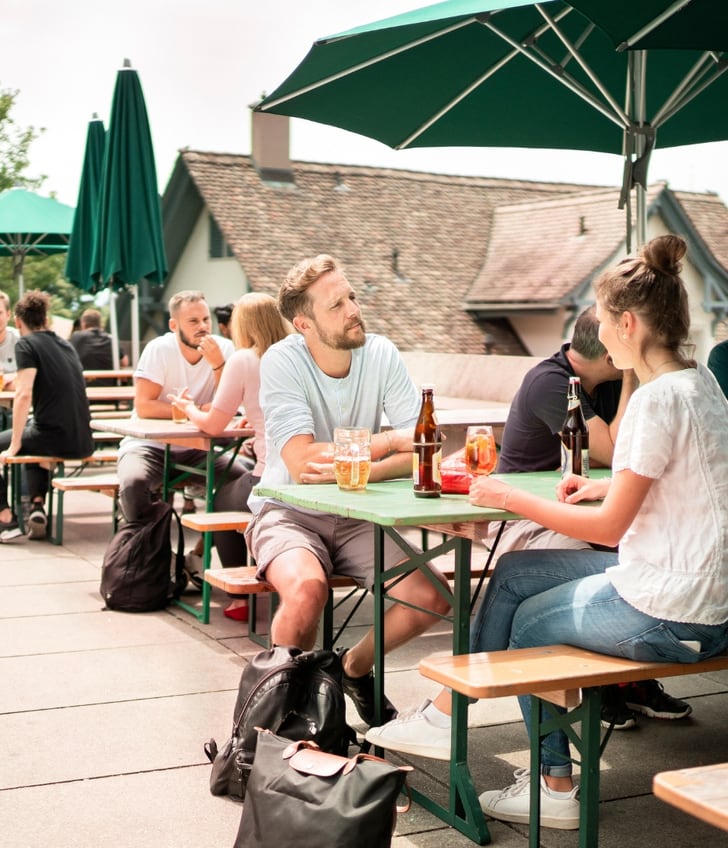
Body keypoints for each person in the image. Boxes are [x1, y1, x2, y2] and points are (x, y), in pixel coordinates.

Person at [373, 235, 728, 830]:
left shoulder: (652, 402)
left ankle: (553, 785)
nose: (595, 332)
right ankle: (445, 719)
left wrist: (511, 498)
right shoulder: (704, 387)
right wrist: (601, 487)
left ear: (629, 322)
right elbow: (685, 489)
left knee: (527, 625)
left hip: (674, 613)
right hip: (705, 595)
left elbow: (611, 528)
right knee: (513, 572)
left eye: (601, 320)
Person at [244, 254, 451, 726]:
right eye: (336, 305)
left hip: (359, 510)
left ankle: (351, 668)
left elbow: (426, 449)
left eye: (351, 297)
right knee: (307, 590)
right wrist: (390, 443)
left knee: (432, 597)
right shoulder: (282, 360)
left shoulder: (380, 352)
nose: (353, 309)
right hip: (288, 510)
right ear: (304, 323)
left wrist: (364, 471)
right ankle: (278, 720)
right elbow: (299, 462)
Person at [168, 292, 294, 619]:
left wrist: (188, 408)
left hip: (273, 477)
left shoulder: (244, 359)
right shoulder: (298, 354)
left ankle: (239, 598)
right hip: (305, 475)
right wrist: (256, 415)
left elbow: (212, 425)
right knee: (235, 487)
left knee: (222, 498)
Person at [116, 291, 246, 564]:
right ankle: (147, 564)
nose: (202, 327)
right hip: (149, 446)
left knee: (239, 481)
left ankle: (200, 559)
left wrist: (218, 366)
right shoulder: (159, 349)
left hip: (197, 448)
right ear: (174, 325)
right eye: (193, 321)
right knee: (133, 483)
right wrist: (194, 412)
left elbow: (229, 404)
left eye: (205, 319)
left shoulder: (224, 350)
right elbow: (145, 406)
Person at [0, 290, 93, 542]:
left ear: (17, 321)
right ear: (46, 318)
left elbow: (23, 395)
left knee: (24, 436)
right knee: (31, 430)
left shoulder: (26, 344)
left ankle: (5, 519)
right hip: (83, 439)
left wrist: (14, 443)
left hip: (55, 437)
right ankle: (36, 504)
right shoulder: (66, 344)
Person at [70, 308, 129, 384]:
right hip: (108, 387)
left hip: (84, 386)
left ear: (83, 324)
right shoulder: (110, 338)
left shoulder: (76, 337)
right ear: (99, 324)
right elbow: (124, 363)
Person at [0, 290, 19, 390]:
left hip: (16, 403)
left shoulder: (20, 340)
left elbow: (30, 379)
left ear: (8, 315)